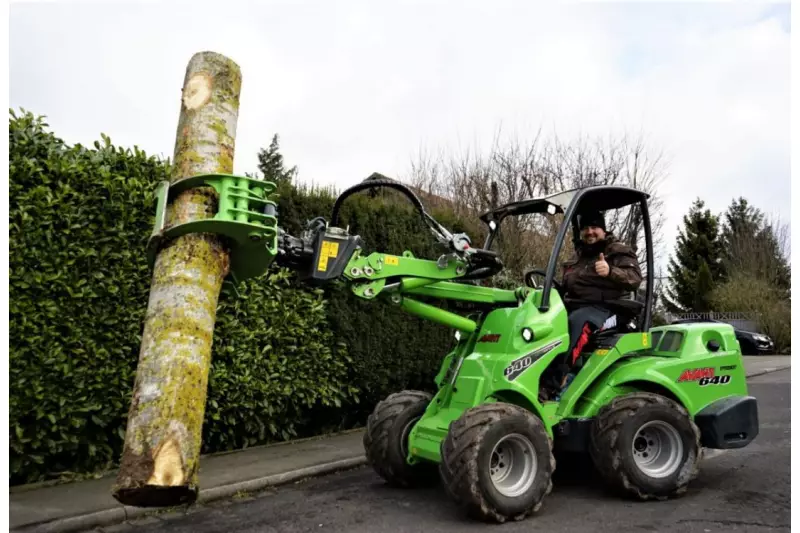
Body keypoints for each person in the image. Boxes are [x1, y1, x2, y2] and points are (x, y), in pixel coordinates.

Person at [555, 210, 643, 390]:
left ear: (603, 230)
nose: (590, 232)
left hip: (609, 309)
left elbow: (634, 278)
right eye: (586, 228)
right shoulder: (577, 256)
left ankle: (554, 383)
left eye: (595, 227)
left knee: (578, 323)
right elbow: (567, 285)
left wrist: (610, 271)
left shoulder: (618, 251)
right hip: (575, 306)